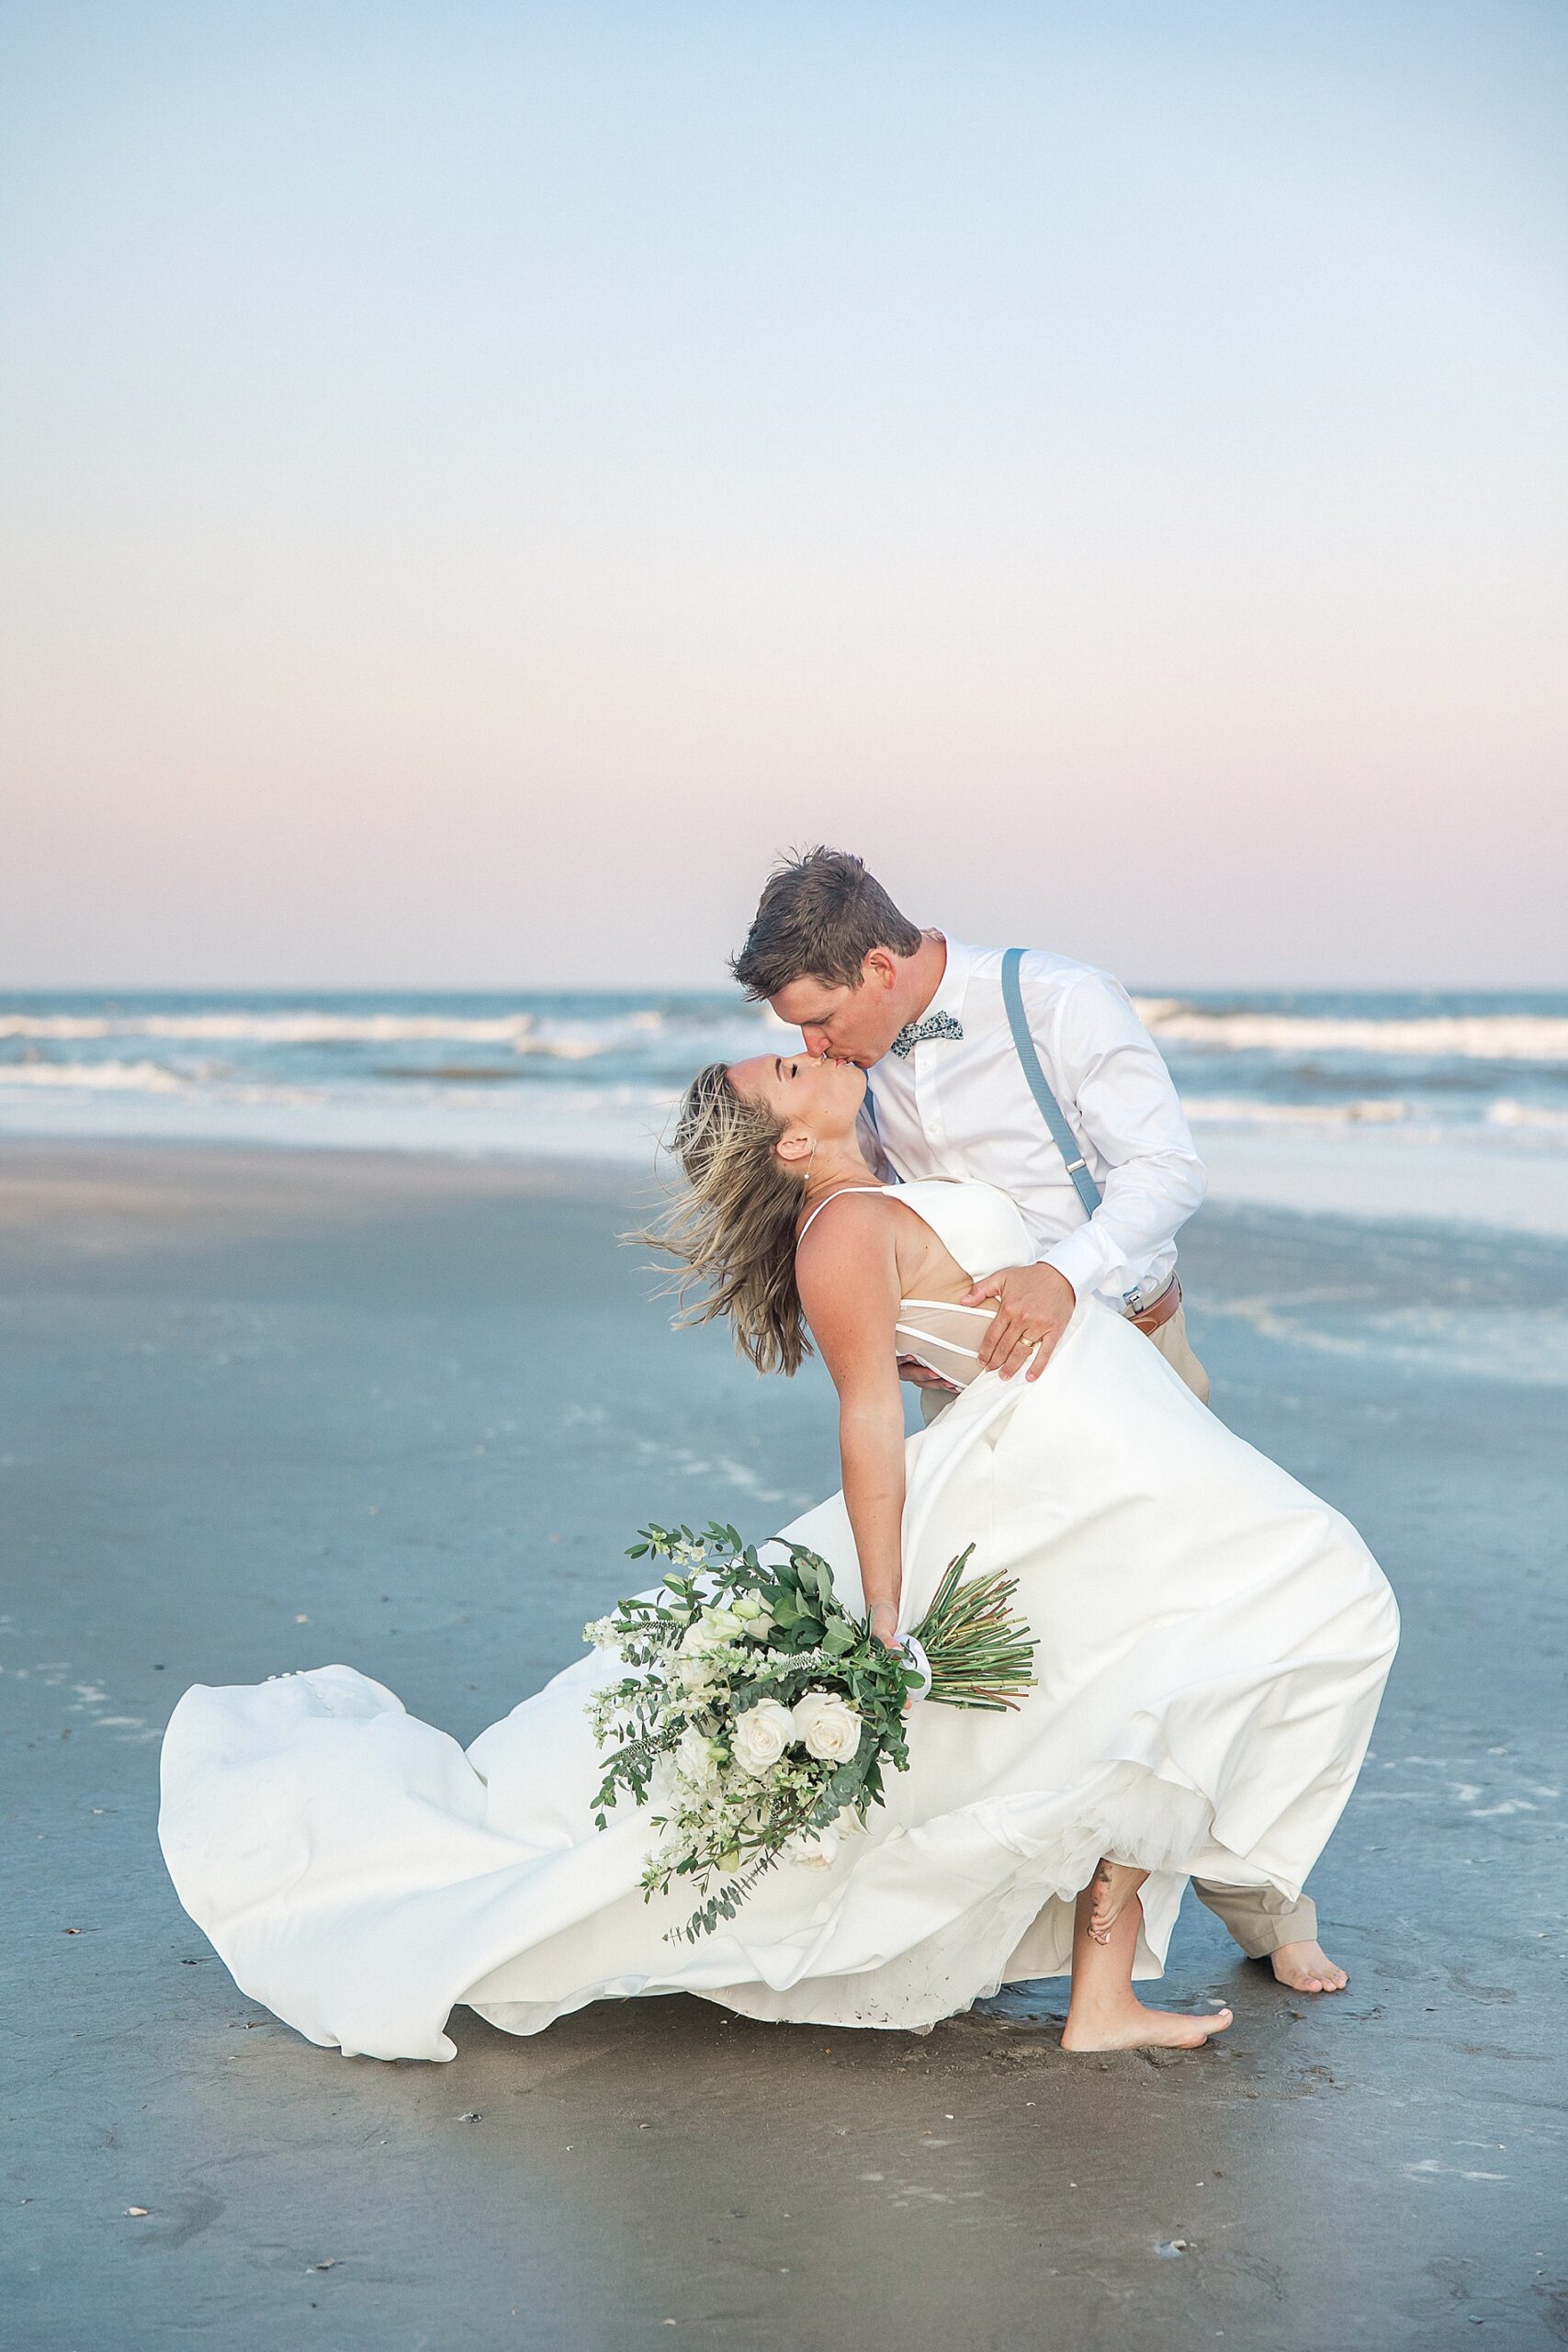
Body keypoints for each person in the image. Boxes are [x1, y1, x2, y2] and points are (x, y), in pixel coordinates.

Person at [158, 1037, 1398, 2063]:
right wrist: (882, 1607)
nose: (807, 1056)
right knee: (1301, 1601)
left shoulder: (878, 1182)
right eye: (784, 1076)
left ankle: (1101, 1994)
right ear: (791, 1143)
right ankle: (1103, 1992)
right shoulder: (838, 1233)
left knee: (1199, 1662)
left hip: (1114, 1450)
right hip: (1076, 1466)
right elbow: (867, 1414)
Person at [730, 845, 1350, 1996]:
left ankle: (1269, 1908)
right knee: (1041, 1664)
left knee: (1205, 1636)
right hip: (971, 1397)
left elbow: (1166, 1171)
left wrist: (1065, 1275)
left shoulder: (1059, 1000)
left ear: (876, 966)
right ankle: (997, 1922)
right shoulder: (851, 1080)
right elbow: (836, 1203)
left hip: (1129, 1362)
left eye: (820, 1021)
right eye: (798, 1036)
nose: (814, 1047)